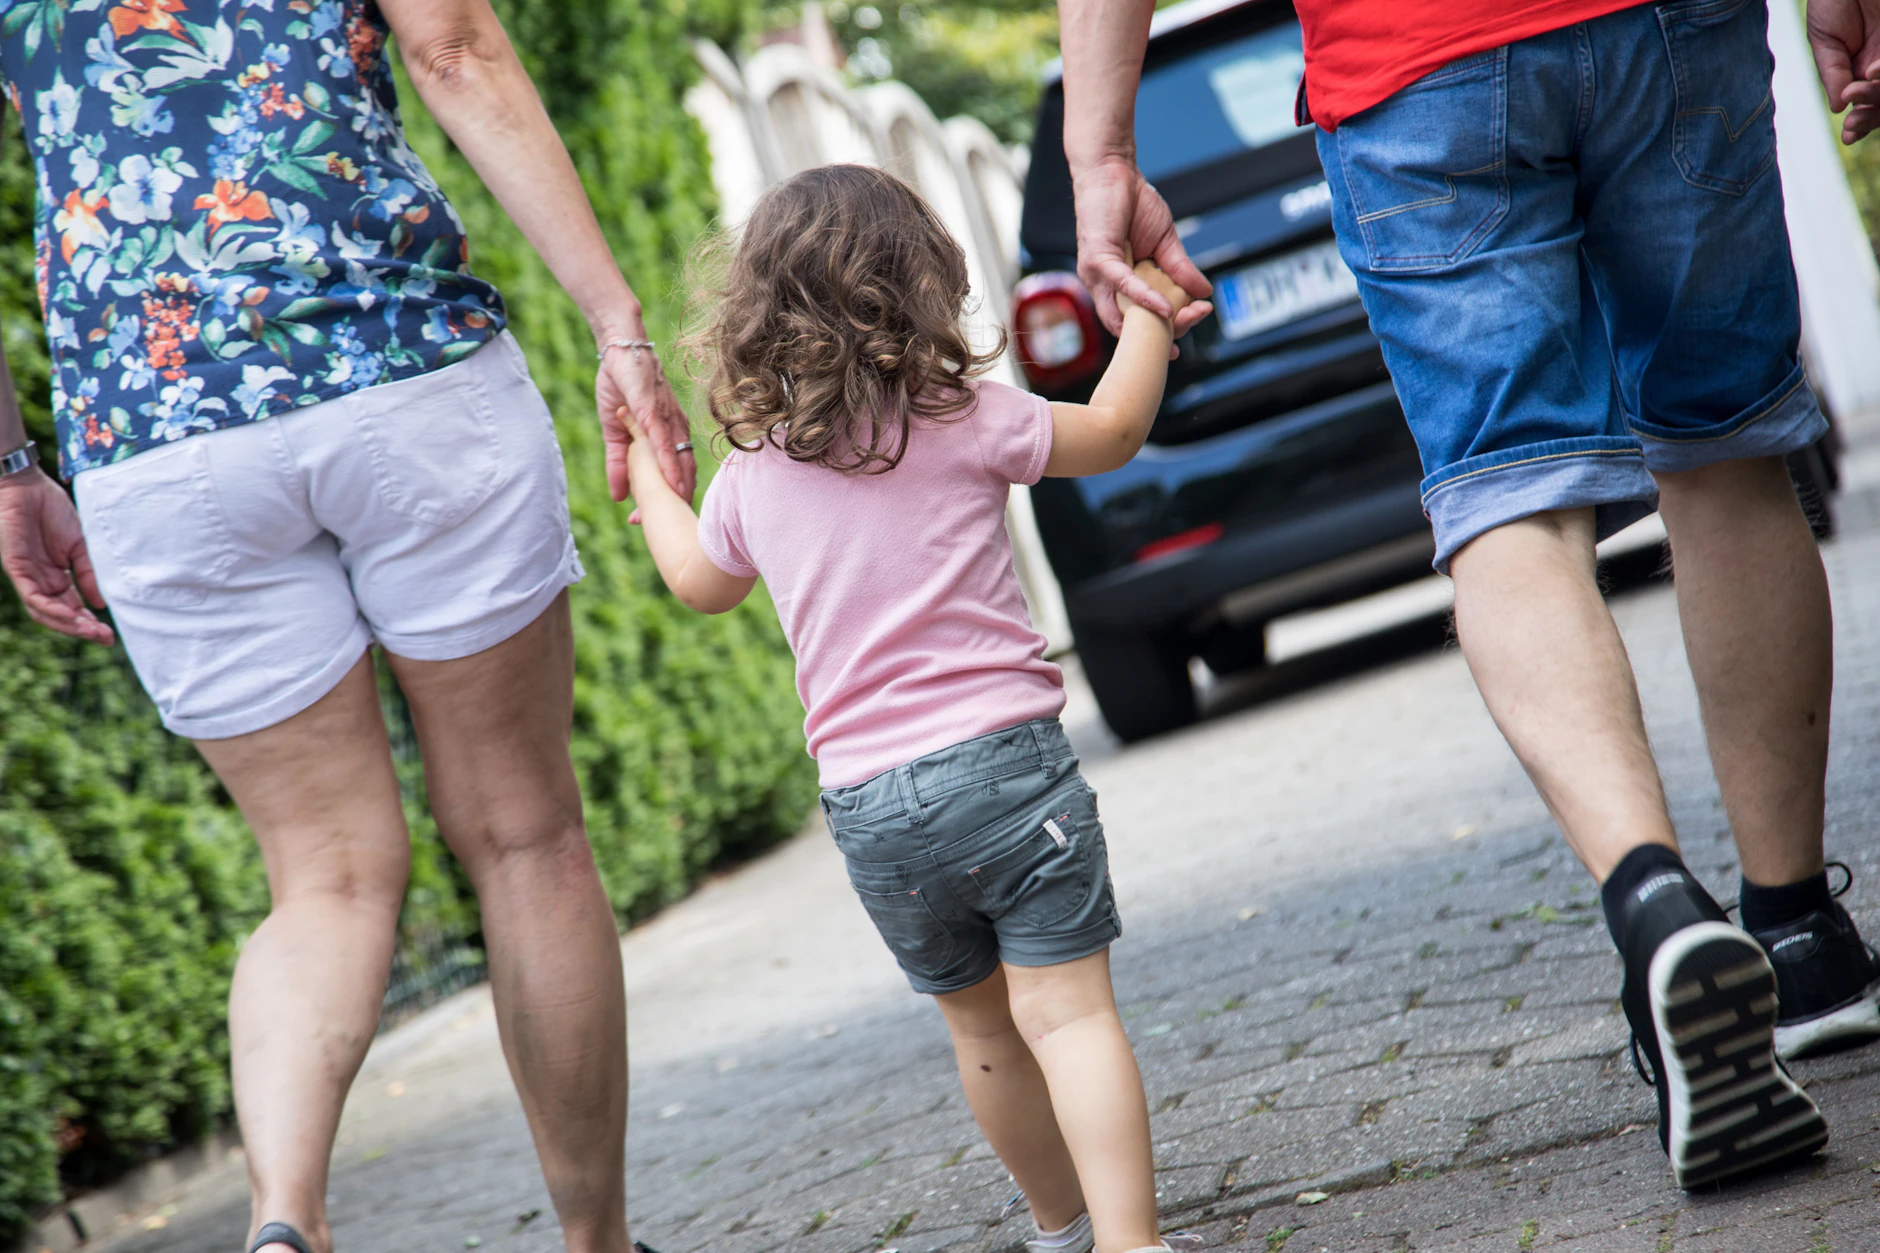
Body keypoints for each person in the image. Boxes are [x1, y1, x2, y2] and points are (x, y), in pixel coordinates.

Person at [1057, 0, 1880, 1192]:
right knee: (1725, 451)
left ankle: (1652, 904)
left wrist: (1103, 153)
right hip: (1667, 28)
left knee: (1505, 496)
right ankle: (1797, 933)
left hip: (1409, 63)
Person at [0, 3, 692, 1251]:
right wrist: (618, 323)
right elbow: (456, 51)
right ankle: (598, 1244)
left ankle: (284, 1218)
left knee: (319, 877)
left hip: (158, 441)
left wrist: (9, 465)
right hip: (402, 371)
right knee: (524, 830)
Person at [621, 163, 1199, 1253]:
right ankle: (1131, 1244)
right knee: (1067, 1014)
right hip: (1005, 770)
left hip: (872, 808)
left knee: (981, 1031)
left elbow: (699, 582)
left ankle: (1058, 1228)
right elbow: (1113, 430)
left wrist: (654, 479)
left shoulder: (750, 473)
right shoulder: (964, 415)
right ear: (922, 283)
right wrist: (1148, 314)